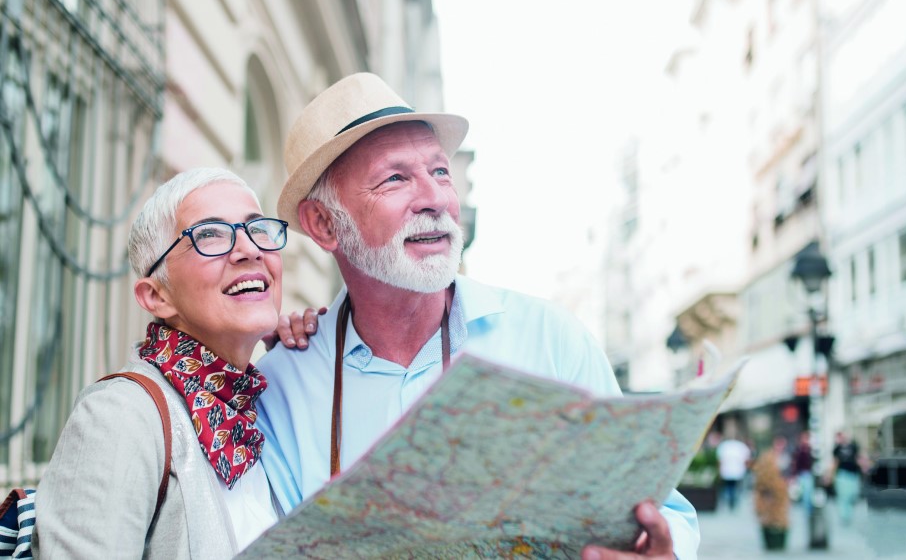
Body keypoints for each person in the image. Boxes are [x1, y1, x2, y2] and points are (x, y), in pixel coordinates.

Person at [256, 72, 699, 559]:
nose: (436, 199)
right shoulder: (283, 384)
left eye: (440, 172)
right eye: (395, 178)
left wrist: (660, 550)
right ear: (323, 224)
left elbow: (662, 511)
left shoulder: (549, 339)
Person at [32, 168, 288, 558]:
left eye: (259, 229)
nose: (250, 249)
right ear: (157, 297)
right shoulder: (119, 415)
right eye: (210, 234)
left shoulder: (261, 409)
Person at [830, 430, 863, 526]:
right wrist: (831, 476)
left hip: (853, 474)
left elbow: (858, 458)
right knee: (843, 496)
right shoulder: (837, 449)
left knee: (853, 495)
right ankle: (844, 516)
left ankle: (848, 514)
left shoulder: (854, 446)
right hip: (842, 475)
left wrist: (864, 466)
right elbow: (835, 463)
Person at [715, 434, 752, 511]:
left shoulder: (724, 446)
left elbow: (719, 460)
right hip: (737, 471)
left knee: (729, 487)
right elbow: (747, 459)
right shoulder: (741, 446)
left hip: (727, 471)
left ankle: (730, 501)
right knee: (736, 487)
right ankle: (734, 501)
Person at [790, 430, 815, 514]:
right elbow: (795, 463)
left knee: (808, 494)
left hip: (808, 474)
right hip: (800, 474)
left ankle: (808, 512)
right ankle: (804, 512)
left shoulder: (810, 450)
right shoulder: (798, 450)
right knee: (801, 494)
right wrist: (794, 475)